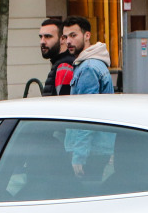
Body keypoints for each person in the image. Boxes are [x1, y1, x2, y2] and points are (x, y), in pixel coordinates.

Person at [61, 16, 115, 178]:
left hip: (92, 150)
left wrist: (79, 156)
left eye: (73, 35)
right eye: (65, 37)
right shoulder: (88, 64)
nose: (68, 41)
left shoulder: (88, 68)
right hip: (95, 148)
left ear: (87, 35)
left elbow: (87, 116)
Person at [40, 18, 75, 96]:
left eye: (47, 36)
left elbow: (63, 105)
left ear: (62, 39)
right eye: (41, 37)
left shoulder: (64, 67)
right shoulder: (60, 64)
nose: (42, 41)